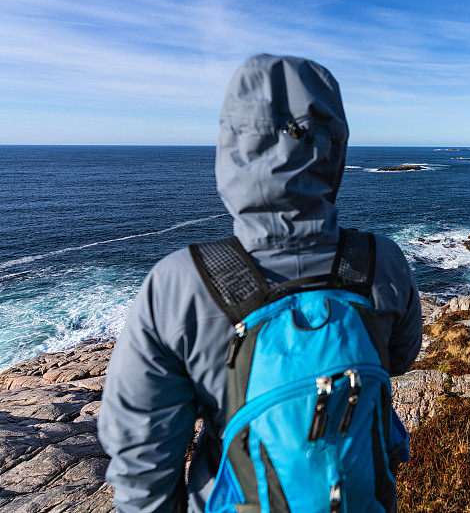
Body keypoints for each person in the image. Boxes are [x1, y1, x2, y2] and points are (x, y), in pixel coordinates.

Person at [98, 54, 423, 513]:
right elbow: (401, 357)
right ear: (336, 147)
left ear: (232, 146)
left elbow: (142, 461)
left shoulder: (178, 283)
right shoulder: (381, 260)